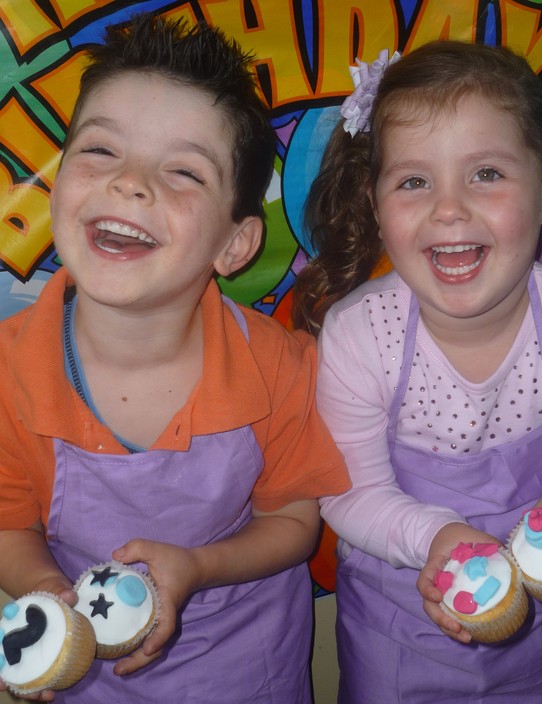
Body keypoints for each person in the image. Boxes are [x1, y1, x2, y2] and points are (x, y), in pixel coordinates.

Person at [0, 12, 349, 703]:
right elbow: (9, 524)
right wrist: (49, 597)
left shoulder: (277, 364)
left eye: (183, 170)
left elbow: (292, 522)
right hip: (92, 679)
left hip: (247, 672)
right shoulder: (11, 371)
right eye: (100, 152)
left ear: (234, 244)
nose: (130, 183)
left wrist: (196, 567)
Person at [293, 40, 542, 703]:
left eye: (485, 173)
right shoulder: (359, 336)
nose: (448, 208)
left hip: (534, 621)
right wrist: (436, 538)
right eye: (412, 181)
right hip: (395, 625)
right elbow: (346, 493)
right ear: (377, 208)